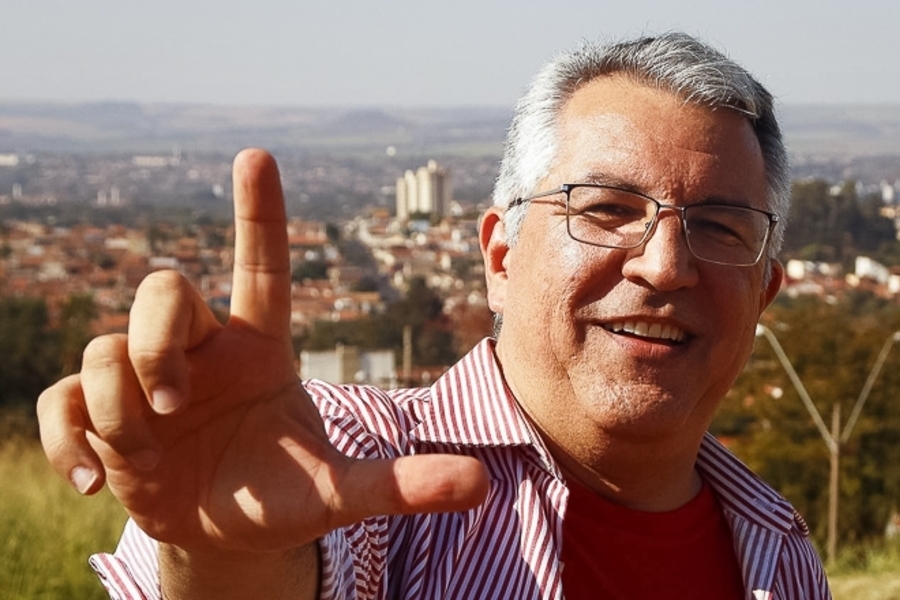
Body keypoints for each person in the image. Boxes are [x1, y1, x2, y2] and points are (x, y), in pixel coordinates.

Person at [37, 32, 832, 599]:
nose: (664, 264)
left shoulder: (780, 550)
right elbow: (285, 557)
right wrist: (223, 559)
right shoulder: (359, 462)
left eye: (722, 227)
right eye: (606, 208)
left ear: (763, 292)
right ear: (499, 258)